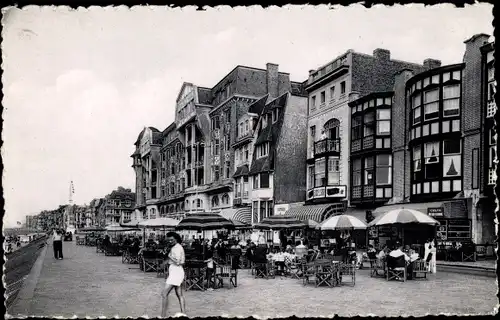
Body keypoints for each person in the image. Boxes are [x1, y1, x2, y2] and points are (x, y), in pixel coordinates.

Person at [161, 231, 186, 317]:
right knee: (179, 295)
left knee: (164, 294)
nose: (170, 241)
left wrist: (169, 256)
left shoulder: (177, 248)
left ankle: (163, 315)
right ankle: (183, 314)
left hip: (176, 271)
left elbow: (178, 262)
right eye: (169, 240)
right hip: (176, 271)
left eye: (172, 240)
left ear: (176, 239)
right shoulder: (176, 247)